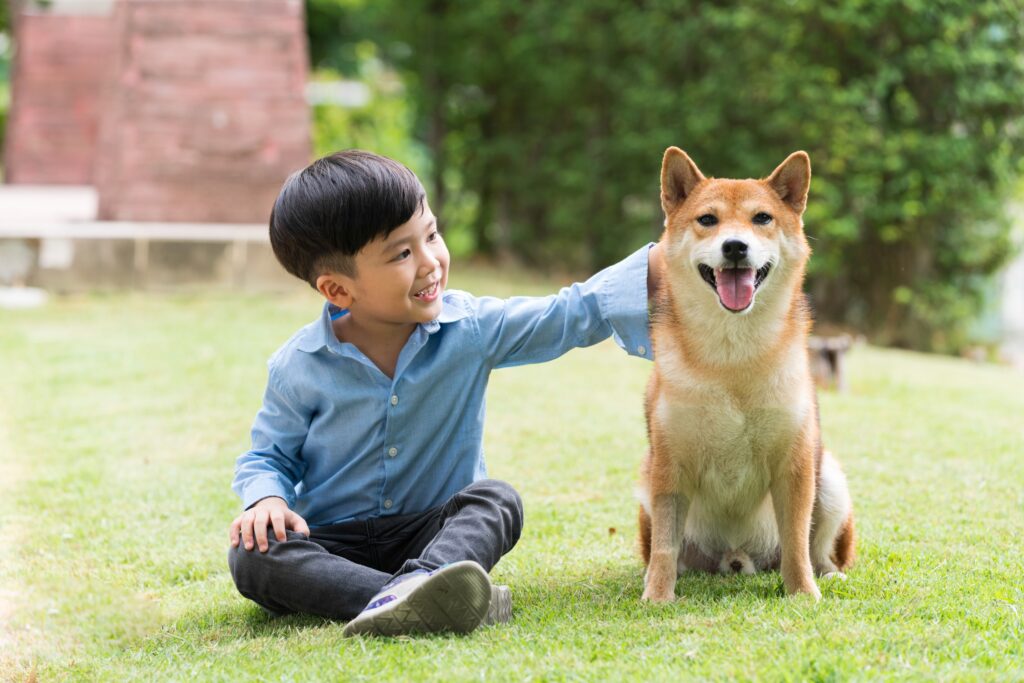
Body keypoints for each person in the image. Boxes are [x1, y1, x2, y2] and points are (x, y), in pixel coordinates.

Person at [227, 150, 662, 637]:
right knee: (252, 556)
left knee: (496, 501)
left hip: (435, 530)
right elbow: (268, 456)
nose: (431, 261)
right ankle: (419, 594)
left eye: (431, 235)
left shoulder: (471, 329)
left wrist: (654, 263)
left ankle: (415, 590)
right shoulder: (299, 365)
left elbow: (566, 315)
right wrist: (264, 501)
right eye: (401, 253)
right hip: (333, 543)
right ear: (338, 290)